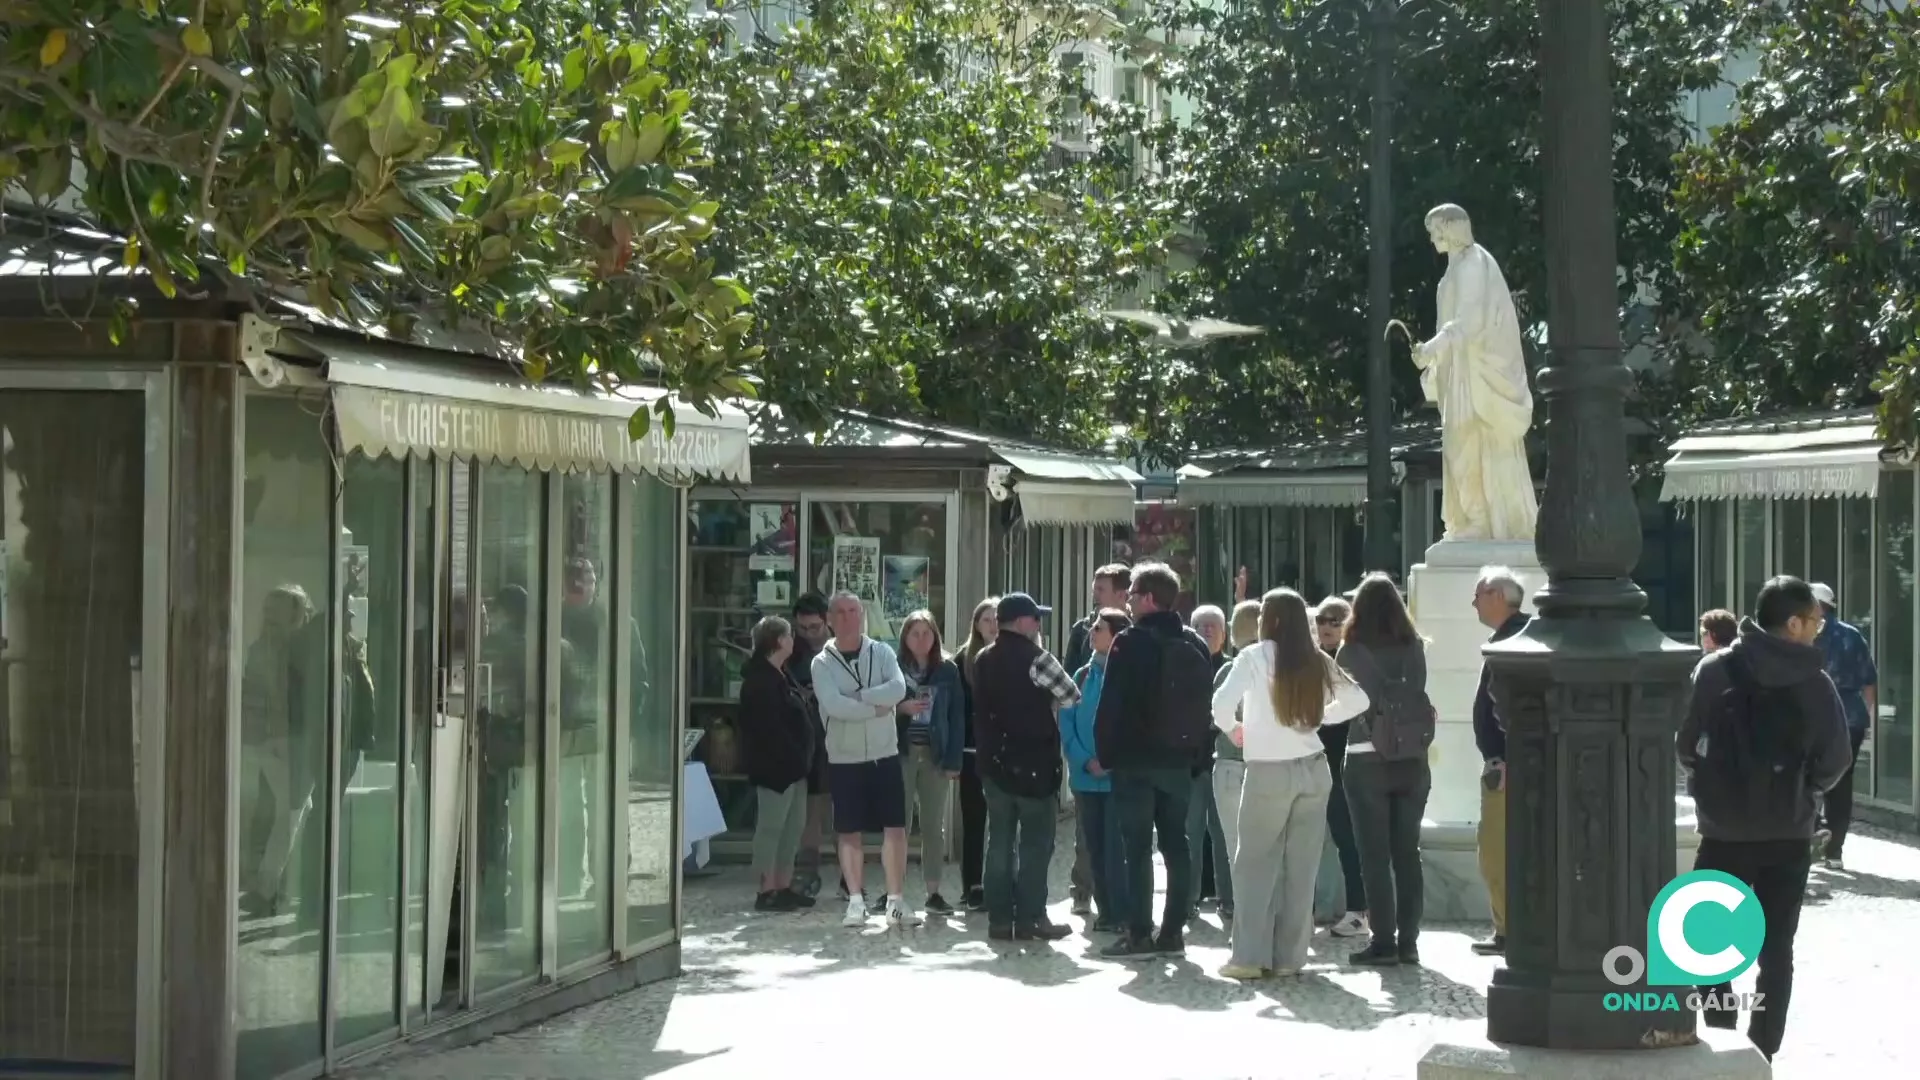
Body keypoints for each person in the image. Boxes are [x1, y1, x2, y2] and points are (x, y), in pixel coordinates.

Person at [1678, 575, 1851, 1062]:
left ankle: (1720, 1036)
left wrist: (1713, 788)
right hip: (1787, 835)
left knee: (1710, 946)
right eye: (1815, 622)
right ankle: (1762, 1052)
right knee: (1776, 951)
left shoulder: (1713, 669)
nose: (1818, 631)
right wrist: (1805, 792)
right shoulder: (1815, 683)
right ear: (1793, 624)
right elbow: (1836, 757)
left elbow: (1685, 743)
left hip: (1722, 834)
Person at [1212, 589, 1371, 979]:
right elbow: (1359, 700)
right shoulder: (1316, 658)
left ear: (1272, 619)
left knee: (1254, 864)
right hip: (1314, 768)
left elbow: (1219, 704)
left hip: (1268, 769)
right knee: (1302, 868)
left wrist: (1235, 730)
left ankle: (1249, 957)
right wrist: (1320, 718)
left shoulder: (1252, 657)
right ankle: (1290, 959)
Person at [1094, 562, 1215, 960]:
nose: (1127, 602)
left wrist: (1106, 753)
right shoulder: (1195, 643)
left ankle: (1139, 933)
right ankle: (1174, 933)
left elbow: (1110, 706)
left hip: (1135, 760)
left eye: (1131, 595)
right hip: (1178, 761)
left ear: (1147, 599)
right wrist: (1197, 758)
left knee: (1138, 847)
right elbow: (1205, 709)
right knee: (1177, 845)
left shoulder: (1128, 643)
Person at [1335, 572, 1434, 966]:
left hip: (1365, 758)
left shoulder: (1351, 651)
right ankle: (1409, 941)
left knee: (1374, 854)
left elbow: (1343, 704)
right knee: (1408, 852)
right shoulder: (1415, 647)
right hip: (1413, 758)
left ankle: (1384, 941)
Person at [971, 593, 1079, 941]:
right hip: (1034, 766)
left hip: (994, 763)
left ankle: (1000, 920)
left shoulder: (982, 658)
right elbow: (1070, 694)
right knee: (1035, 845)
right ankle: (1032, 917)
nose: (1038, 624)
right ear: (1021, 622)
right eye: (1035, 618)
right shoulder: (1039, 659)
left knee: (999, 842)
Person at [811, 591, 920, 929]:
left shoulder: (883, 652)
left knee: (895, 829)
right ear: (830, 619)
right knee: (848, 831)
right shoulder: (822, 663)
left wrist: (858, 698)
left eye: (853, 611)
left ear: (862, 615)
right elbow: (833, 706)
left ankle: (895, 901)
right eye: (840, 612)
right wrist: (875, 707)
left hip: (884, 754)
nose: (847, 618)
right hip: (844, 759)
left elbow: (898, 689)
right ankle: (855, 902)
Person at [1065, 564, 1133, 915]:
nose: (1095, 594)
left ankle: (1118, 907)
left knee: (1117, 842)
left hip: (1119, 771)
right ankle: (1085, 891)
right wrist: (1083, 758)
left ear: (1123, 594)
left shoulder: (1134, 652)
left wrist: (1113, 760)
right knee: (1087, 837)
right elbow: (1066, 704)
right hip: (1085, 767)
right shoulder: (1081, 641)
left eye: (1102, 589)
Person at [1468, 566, 1529, 957]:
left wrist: (1503, 758)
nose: (1473, 602)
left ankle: (1510, 931)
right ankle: (1508, 928)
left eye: (1477, 594)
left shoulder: (1515, 640)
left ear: (1495, 596)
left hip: (1507, 767)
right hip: (1508, 763)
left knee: (1495, 853)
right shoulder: (1517, 635)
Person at [737, 616, 816, 912]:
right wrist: (794, 753)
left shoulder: (781, 674)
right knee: (771, 828)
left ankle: (783, 885)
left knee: (792, 828)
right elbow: (767, 730)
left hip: (794, 769)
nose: (794, 641)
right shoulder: (759, 681)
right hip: (775, 770)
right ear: (779, 641)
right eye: (789, 636)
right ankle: (765, 888)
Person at [895, 610, 965, 915]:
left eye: (927, 633)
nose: (921, 639)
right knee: (897, 825)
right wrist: (901, 708)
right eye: (915, 633)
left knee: (933, 826)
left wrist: (953, 760)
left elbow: (957, 716)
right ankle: (893, 890)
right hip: (901, 753)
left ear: (935, 636)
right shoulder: (893, 668)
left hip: (935, 755)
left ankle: (933, 892)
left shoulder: (947, 670)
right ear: (905, 638)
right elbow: (878, 706)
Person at [1808, 583, 1877, 869]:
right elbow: (1869, 681)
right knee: (1842, 783)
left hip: (1815, 718)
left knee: (1807, 779)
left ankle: (1814, 835)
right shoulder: (1852, 635)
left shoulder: (1809, 634)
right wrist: (1867, 720)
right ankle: (1834, 852)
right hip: (1851, 718)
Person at [1312, 595, 1366, 938]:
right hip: (1316, 757)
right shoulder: (1313, 660)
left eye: (1335, 619)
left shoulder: (1350, 659)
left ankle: (1358, 910)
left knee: (1348, 838)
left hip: (1344, 761)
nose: (1326, 626)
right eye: (1321, 618)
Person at [1184, 604, 1235, 922]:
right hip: (1190, 765)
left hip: (1225, 764)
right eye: (1199, 625)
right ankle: (1187, 900)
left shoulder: (1233, 669)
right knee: (1188, 834)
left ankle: (1229, 899)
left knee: (1225, 834)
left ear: (1224, 633)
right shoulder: (1183, 666)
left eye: (1212, 626)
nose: (1206, 631)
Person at [1211, 600, 1261, 920]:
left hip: (1231, 764)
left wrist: (1234, 731)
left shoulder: (1230, 669)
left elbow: (1217, 712)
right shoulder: (1278, 666)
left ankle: (1246, 918)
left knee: (1236, 849)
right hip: (1266, 765)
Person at [786, 593, 834, 898]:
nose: (808, 634)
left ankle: (849, 878)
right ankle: (805, 869)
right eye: (802, 628)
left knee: (839, 811)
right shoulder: (793, 650)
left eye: (814, 627)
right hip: (803, 740)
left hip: (837, 739)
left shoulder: (841, 646)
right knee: (807, 809)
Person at [954, 598, 999, 911]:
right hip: (971, 751)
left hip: (1004, 753)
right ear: (976, 624)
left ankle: (1000, 883)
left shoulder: (1013, 655)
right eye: (986, 619)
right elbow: (956, 711)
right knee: (973, 822)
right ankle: (972, 885)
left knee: (1003, 822)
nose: (992, 624)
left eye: (997, 618)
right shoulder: (962, 660)